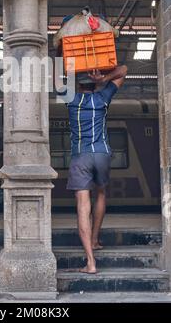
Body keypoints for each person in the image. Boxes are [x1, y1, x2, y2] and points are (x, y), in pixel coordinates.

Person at [66, 66, 127, 274]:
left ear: (78, 84)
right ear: (93, 83)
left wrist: (61, 55)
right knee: (101, 192)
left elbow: (56, 75)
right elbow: (124, 70)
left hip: (81, 155)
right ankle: (94, 239)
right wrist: (104, 77)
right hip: (102, 153)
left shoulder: (71, 100)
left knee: (83, 206)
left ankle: (90, 262)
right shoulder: (103, 98)